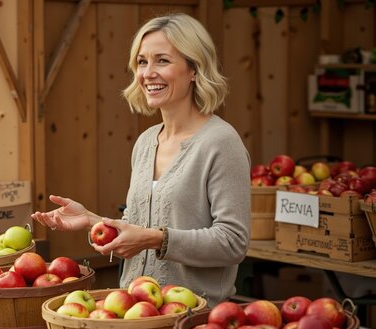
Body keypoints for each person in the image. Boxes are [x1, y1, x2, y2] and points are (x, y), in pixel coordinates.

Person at [31, 13, 251, 307]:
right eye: (142, 62)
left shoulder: (221, 143)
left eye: (162, 60)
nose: (148, 73)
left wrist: (155, 239)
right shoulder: (147, 142)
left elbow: (232, 242)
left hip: (194, 320)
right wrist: (92, 221)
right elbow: (140, 228)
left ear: (194, 69)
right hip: (134, 312)